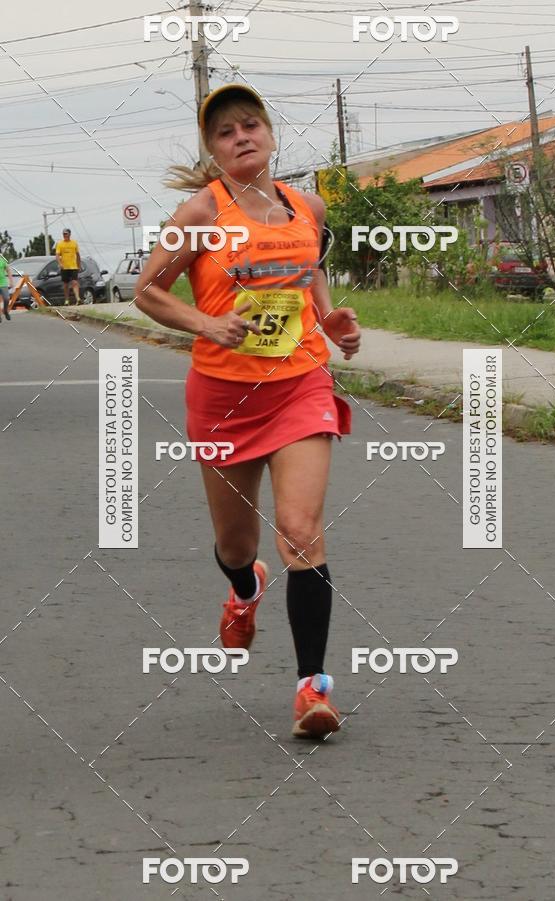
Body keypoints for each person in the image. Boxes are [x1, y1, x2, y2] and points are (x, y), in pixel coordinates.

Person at [135, 84, 360, 739]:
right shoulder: (200, 213)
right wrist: (206, 322)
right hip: (224, 401)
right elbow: (147, 291)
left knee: (300, 528)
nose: (242, 136)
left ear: (270, 134)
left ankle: (312, 689)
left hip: (299, 386)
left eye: (251, 124)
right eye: (226, 131)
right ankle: (243, 585)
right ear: (213, 148)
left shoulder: (306, 205)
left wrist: (330, 318)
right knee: (240, 544)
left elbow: (308, 268)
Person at [55, 228, 81, 305]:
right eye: (64, 234)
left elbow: (78, 255)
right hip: (64, 267)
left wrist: (79, 265)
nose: (65, 235)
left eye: (66, 234)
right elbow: (57, 255)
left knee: (74, 282)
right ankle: (66, 300)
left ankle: (78, 298)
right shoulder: (60, 244)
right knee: (66, 284)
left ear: (69, 234)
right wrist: (60, 263)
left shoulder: (74, 243)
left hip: (73, 266)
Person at [0, 254, 13, 322]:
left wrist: (11, 281)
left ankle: (5, 311)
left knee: (6, 298)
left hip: (3, 283)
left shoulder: (2, 260)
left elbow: (8, 270)